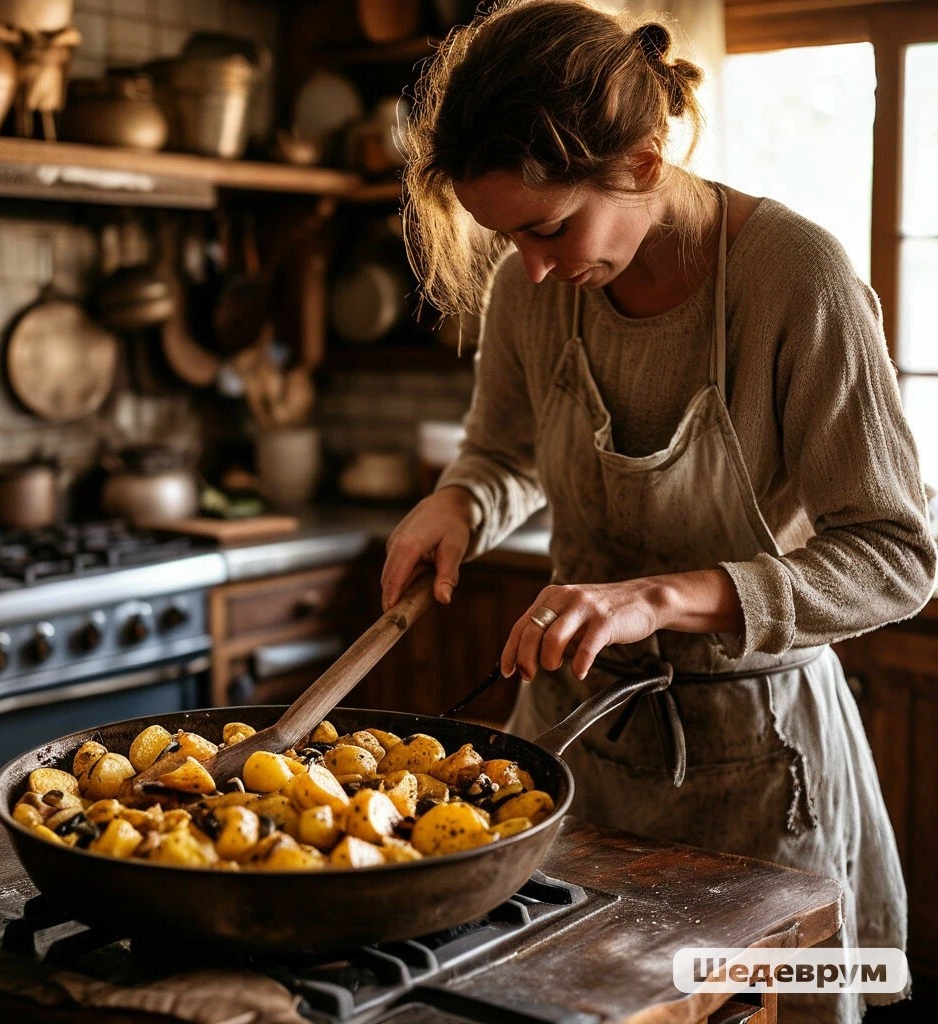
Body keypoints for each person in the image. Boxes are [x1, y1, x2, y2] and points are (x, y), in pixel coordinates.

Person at [379, 2, 938, 1022]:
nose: (533, 268)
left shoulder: (794, 278)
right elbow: (503, 451)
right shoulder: (530, 282)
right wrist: (457, 501)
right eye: (508, 237)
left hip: (758, 770)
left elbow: (897, 556)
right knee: (566, 1005)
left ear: (640, 161)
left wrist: (664, 597)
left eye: (548, 228)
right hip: (570, 751)